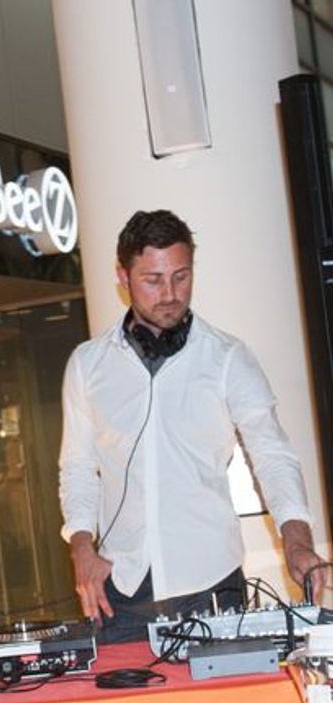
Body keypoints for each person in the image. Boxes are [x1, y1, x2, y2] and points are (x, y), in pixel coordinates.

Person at [58, 209, 326, 643]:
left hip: (213, 584)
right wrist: (81, 548)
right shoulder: (87, 365)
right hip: (119, 591)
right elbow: (77, 469)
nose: (170, 294)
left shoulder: (227, 358)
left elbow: (272, 454)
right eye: (153, 280)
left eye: (181, 277)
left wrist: (296, 540)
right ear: (123, 277)